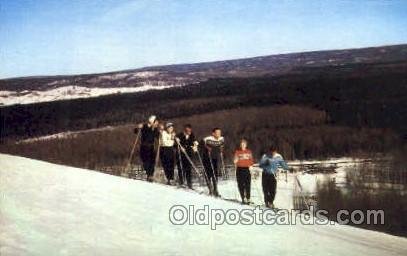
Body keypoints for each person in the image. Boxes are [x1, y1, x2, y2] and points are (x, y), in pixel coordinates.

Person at [136, 115, 160, 182]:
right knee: (146, 161)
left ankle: (150, 176)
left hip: (151, 147)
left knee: (152, 162)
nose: (157, 123)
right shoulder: (144, 126)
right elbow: (135, 131)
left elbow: (158, 136)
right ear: (152, 121)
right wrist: (138, 128)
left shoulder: (154, 129)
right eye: (155, 122)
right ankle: (148, 174)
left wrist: (160, 131)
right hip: (144, 147)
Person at [202, 128, 225, 196]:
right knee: (208, 174)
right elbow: (201, 145)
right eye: (217, 133)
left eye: (219, 133)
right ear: (213, 133)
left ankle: (215, 190)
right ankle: (210, 190)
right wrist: (206, 147)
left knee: (215, 175)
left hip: (215, 159)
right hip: (207, 159)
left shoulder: (221, 139)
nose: (219, 134)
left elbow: (222, 146)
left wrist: (221, 149)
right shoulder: (207, 139)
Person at [175, 124, 198, 188]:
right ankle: (181, 181)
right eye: (187, 131)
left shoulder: (192, 135)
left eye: (189, 131)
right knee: (181, 168)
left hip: (188, 153)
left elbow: (193, 142)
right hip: (181, 154)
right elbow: (176, 142)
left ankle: (189, 183)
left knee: (188, 168)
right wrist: (178, 143)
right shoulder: (180, 135)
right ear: (185, 130)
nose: (188, 132)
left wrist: (195, 145)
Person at [233, 139, 254, 204]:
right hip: (239, 169)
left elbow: (251, 160)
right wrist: (235, 160)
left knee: (248, 184)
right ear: (240, 145)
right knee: (241, 184)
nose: (243, 145)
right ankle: (243, 197)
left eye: (244, 144)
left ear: (246, 145)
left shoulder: (249, 152)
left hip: (247, 169)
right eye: (242, 144)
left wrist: (251, 166)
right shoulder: (237, 152)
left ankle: (248, 198)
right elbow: (234, 160)